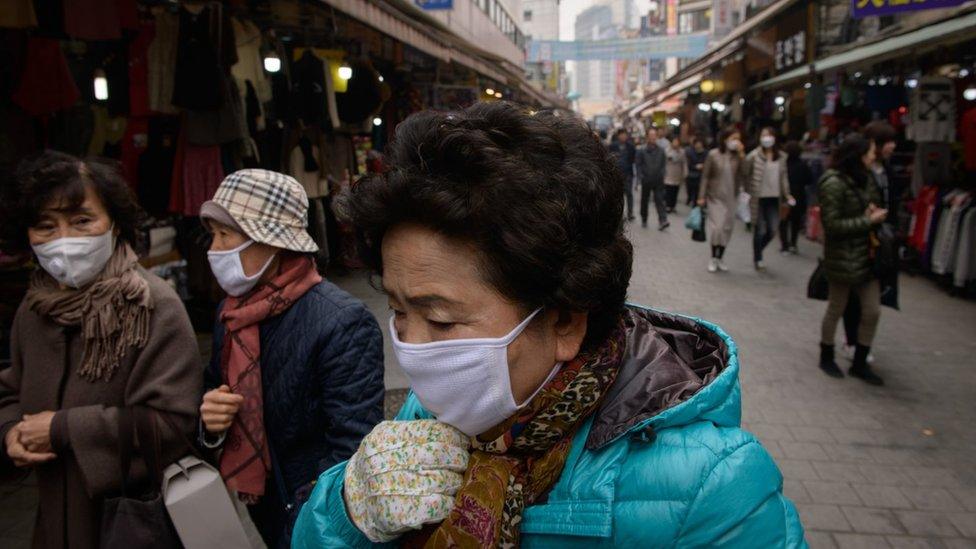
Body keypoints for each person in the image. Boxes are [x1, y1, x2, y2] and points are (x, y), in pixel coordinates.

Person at [292, 102, 805, 548]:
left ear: (563, 321)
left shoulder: (715, 487)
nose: (412, 349)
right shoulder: (430, 410)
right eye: (400, 312)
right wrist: (347, 509)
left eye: (441, 319)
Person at [0, 151, 202, 549]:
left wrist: (64, 429)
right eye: (45, 226)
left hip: (130, 525)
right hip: (53, 525)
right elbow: (9, 389)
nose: (64, 241)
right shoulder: (34, 307)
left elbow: (175, 423)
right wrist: (9, 434)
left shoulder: (153, 305)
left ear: (114, 224)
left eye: (81, 221)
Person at [198, 169, 385, 547]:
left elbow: (353, 446)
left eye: (226, 235)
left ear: (271, 241)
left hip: (313, 515)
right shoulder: (231, 315)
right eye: (212, 235)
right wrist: (211, 422)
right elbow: (209, 391)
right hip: (265, 506)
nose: (214, 249)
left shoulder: (341, 321)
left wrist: (303, 517)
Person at [817, 135, 887, 385]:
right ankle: (826, 354)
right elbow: (832, 224)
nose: (873, 156)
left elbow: (869, 204)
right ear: (857, 155)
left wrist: (871, 211)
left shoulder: (866, 179)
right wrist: (869, 220)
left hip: (867, 256)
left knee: (873, 310)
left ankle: (860, 360)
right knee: (837, 306)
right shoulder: (833, 182)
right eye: (870, 151)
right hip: (842, 257)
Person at [841, 122, 898, 363]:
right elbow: (837, 218)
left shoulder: (885, 170)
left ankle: (860, 348)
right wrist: (867, 217)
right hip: (856, 244)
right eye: (887, 142)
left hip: (879, 240)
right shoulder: (854, 175)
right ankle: (852, 342)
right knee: (850, 299)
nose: (893, 146)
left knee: (872, 301)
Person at [742, 127, 793, 271]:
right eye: (764, 135)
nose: (767, 138)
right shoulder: (753, 156)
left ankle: (759, 250)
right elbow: (746, 173)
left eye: (769, 135)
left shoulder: (782, 157)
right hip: (758, 197)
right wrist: (746, 192)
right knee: (759, 230)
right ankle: (758, 258)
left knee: (772, 229)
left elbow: (784, 177)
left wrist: (787, 194)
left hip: (774, 197)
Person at [698, 128, 744, 272]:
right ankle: (713, 257)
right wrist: (701, 196)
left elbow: (746, 173)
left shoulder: (738, 157)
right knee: (717, 228)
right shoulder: (713, 155)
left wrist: (742, 155)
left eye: (738, 139)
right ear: (725, 139)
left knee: (727, 229)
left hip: (731, 198)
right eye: (733, 138)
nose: (736, 142)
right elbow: (705, 176)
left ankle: (720, 258)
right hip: (715, 197)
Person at [635, 126, 669, 230]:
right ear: (647, 137)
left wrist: (662, 174)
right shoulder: (642, 151)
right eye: (651, 135)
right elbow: (638, 165)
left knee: (659, 200)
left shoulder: (661, 150)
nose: (653, 137)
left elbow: (664, 164)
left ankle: (663, 220)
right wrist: (640, 177)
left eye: (655, 135)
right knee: (644, 200)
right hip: (646, 179)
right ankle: (644, 218)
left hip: (658, 180)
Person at [781, 140, 811, 254]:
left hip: (785, 196)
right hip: (799, 196)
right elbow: (809, 179)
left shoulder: (783, 164)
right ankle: (793, 243)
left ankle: (784, 245)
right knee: (795, 221)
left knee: (783, 221)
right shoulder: (803, 165)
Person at [607, 128, 636, 221]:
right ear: (618, 135)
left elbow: (632, 159)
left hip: (628, 174)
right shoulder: (613, 146)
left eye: (625, 134)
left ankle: (630, 213)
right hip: (617, 174)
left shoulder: (631, 146)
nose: (623, 136)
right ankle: (619, 213)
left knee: (629, 194)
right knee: (619, 195)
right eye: (622, 134)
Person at [664, 135, 687, 213]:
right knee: (668, 190)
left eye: (677, 142)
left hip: (677, 173)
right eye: (674, 141)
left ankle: (673, 206)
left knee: (675, 191)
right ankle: (668, 205)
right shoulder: (667, 150)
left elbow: (684, 163)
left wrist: (685, 173)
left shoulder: (682, 152)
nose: (675, 143)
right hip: (668, 172)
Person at [685, 137, 707, 206]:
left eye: (699, 143)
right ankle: (691, 199)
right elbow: (689, 164)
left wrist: (703, 166)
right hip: (692, 174)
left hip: (701, 175)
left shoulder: (706, 153)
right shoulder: (691, 152)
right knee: (691, 189)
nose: (698, 145)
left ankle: (696, 203)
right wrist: (695, 166)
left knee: (698, 190)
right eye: (697, 144)